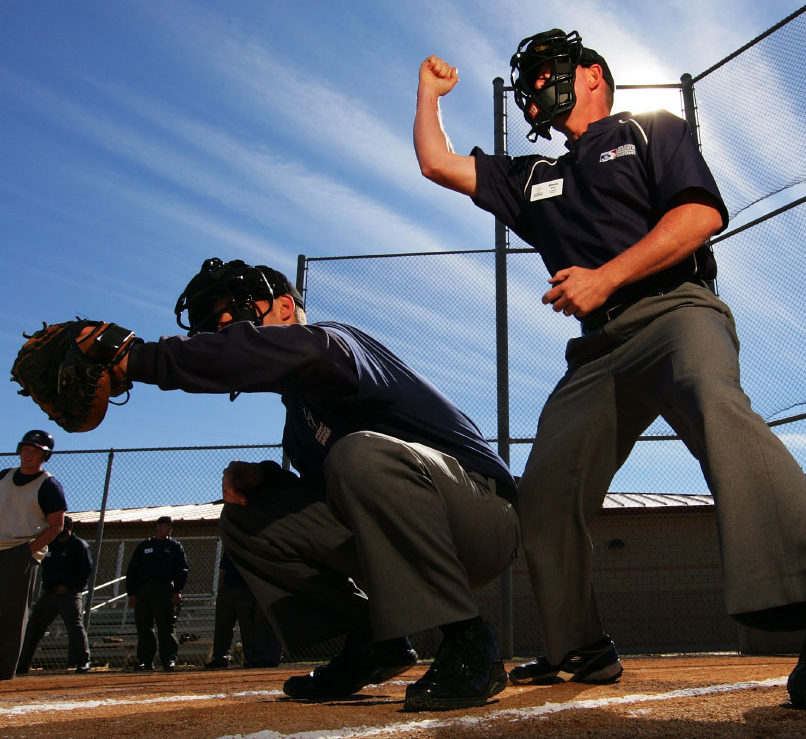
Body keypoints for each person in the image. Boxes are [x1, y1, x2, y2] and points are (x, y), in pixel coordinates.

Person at [413, 29, 806, 710]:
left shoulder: (647, 130)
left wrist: (605, 277)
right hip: (596, 349)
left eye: (549, 69)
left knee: (714, 402)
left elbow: (698, 215)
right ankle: (578, 646)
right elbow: (437, 163)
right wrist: (428, 93)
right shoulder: (532, 176)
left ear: (591, 76)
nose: (534, 86)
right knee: (546, 489)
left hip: (675, 311)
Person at [112, 258, 519, 711]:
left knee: (357, 453)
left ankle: (468, 639)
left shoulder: (332, 342)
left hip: (483, 515)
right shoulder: (300, 421)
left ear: (285, 307)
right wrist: (267, 477)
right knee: (249, 513)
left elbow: (287, 364)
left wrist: (132, 359)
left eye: (235, 311)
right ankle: (374, 639)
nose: (224, 323)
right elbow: (335, 501)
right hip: (406, 535)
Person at [0, 430, 67, 681]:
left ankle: (4, 668)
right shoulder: (4, 476)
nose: (29, 455)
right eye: (26, 449)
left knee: (12, 611)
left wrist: (28, 551)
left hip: (19, 550)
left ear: (45, 456)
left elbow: (56, 525)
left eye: (36, 451)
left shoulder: (48, 485)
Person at [16, 515, 93, 674]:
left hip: (70, 594)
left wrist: (69, 586)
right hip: (49, 593)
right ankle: (21, 664)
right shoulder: (51, 544)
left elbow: (86, 571)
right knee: (34, 626)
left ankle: (82, 661)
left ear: (70, 528)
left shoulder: (79, 546)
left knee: (75, 626)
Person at [125, 515, 188, 671]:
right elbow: (132, 570)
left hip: (164, 589)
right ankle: (145, 660)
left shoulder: (174, 546)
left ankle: (169, 660)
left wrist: (177, 590)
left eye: (170, 526)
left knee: (166, 626)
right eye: (166, 525)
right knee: (144, 627)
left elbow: (182, 570)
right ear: (158, 527)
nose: (169, 528)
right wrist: (132, 593)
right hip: (144, 590)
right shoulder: (145, 545)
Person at [205, 552, 282, 669]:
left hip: (246, 589)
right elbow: (223, 570)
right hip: (229, 588)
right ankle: (220, 658)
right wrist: (222, 590)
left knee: (247, 627)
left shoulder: (249, 548)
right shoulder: (231, 549)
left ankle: (250, 658)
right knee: (223, 626)